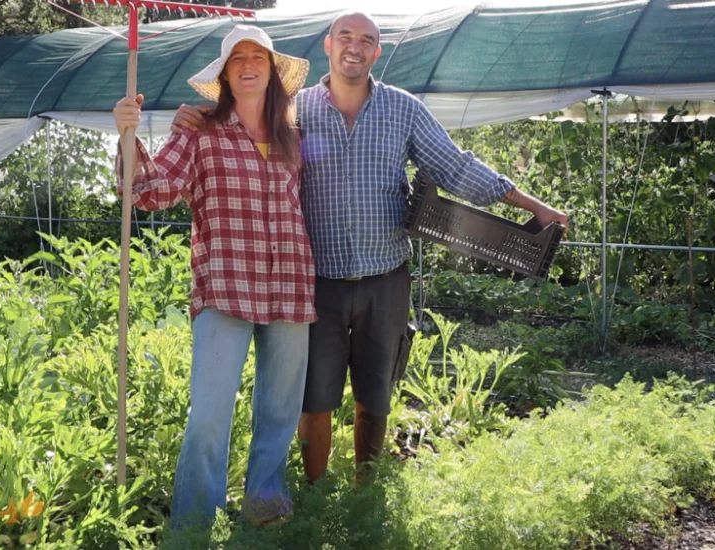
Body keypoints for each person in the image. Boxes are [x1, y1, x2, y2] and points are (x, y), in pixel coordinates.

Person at [170, 12, 569, 486]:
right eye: (345, 38)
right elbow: (246, 134)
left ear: (377, 52)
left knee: (375, 393)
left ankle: (366, 491)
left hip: (386, 277)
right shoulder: (295, 112)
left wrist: (531, 204)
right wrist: (195, 119)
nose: (354, 47)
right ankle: (315, 495)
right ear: (328, 46)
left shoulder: (403, 109)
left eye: (366, 40)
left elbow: (455, 167)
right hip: (317, 282)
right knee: (313, 397)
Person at [112, 25, 315, 527]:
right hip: (225, 286)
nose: (248, 65)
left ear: (272, 72)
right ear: (224, 75)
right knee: (208, 418)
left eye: (258, 58)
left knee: (279, 414)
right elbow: (153, 191)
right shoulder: (199, 130)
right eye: (237, 59)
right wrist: (128, 136)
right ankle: (195, 527)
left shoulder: (293, 136)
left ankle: (264, 508)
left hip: (290, 284)